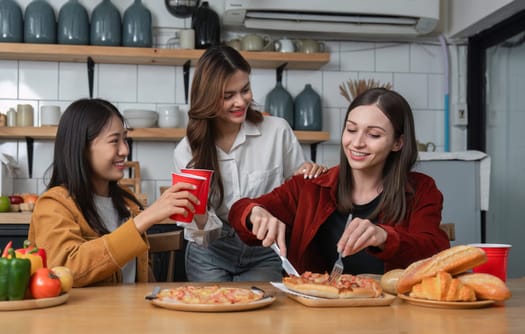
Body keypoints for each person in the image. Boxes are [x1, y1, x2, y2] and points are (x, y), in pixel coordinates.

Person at [229, 88, 451, 275]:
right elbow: (239, 211)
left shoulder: (421, 189)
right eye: (351, 129)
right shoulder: (310, 185)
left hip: (391, 312)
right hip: (315, 312)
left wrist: (384, 237)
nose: (357, 143)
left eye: (373, 135)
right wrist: (254, 212)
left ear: (397, 143)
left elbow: (433, 250)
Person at [173, 45, 326, 282]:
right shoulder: (187, 151)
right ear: (207, 98)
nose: (240, 101)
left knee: (260, 316)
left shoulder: (277, 131)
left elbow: (295, 192)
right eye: (227, 96)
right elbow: (199, 232)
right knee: (212, 315)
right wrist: (197, 216)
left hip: (264, 250)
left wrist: (310, 176)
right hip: (211, 253)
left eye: (245, 90)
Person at [28, 98, 199, 287]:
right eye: (114, 141)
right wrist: (143, 220)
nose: (125, 150)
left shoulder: (128, 203)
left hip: (132, 314)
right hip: (84, 317)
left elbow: (139, 274)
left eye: (124, 139)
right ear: (82, 148)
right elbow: (63, 271)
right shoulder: (54, 205)